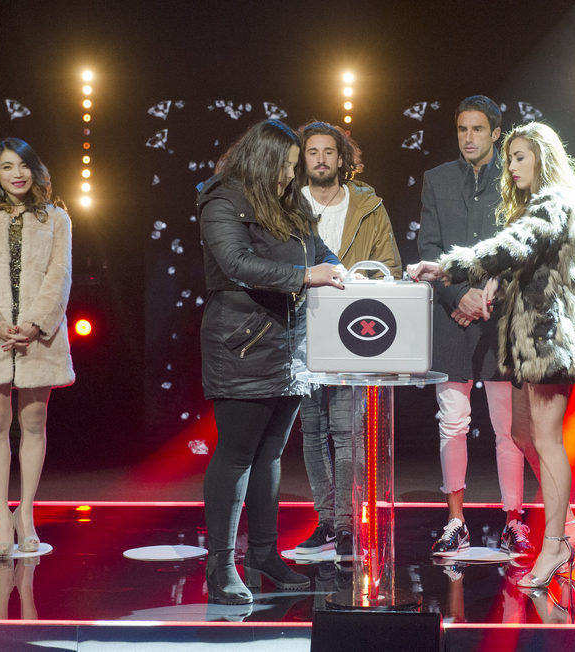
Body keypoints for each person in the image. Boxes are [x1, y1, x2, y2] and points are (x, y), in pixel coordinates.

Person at [409, 121, 575, 589]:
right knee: (520, 431)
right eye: (510, 157)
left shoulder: (555, 201)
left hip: (549, 340)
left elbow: (513, 245)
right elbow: (525, 260)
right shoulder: (540, 204)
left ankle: (555, 543)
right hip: (527, 341)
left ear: (543, 157)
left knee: (547, 439)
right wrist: (499, 283)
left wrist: (449, 266)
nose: (511, 166)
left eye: (520, 157)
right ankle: (570, 524)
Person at [197, 119, 346, 604]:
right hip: (241, 344)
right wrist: (308, 275)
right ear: (263, 162)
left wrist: (335, 267)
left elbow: (319, 251)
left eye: (293, 166)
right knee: (237, 455)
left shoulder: (290, 202)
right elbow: (237, 265)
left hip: (289, 348)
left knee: (271, 455)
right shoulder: (222, 201)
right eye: (285, 166)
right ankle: (220, 566)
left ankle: (262, 554)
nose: (291, 175)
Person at [417, 95, 531, 558]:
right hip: (449, 318)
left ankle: (513, 522)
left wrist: (488, 294)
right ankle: (455, 521)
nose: (468, 138)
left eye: (477, 130)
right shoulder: (437, 179)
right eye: (462, 129)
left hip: (499, 320)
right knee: (453, 423)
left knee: (508, 429)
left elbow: (520, 246)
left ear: (496, 133)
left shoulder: (515, 178)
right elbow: (428, 244)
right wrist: (454, 296)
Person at [0, 138, 75, 557]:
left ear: (35, 170)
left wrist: (34, 324)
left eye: (23, 165)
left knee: (35, 422)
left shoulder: (57, 218)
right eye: (7, 167)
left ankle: (26, 513)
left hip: (37, 337)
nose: (16, 173)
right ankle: (0, 516)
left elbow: (60, 276)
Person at [292, 121, 402, 562]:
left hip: (354, 329)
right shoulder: (288, 205)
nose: (320, 159)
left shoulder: (368, 206)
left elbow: (389, 264)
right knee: (312, 430)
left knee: (347, 429)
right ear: (303, 159)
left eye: (328, 151)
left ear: (342, 159)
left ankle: (348, 526)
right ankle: (326, 522)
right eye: (312, 151)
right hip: (299, 328)